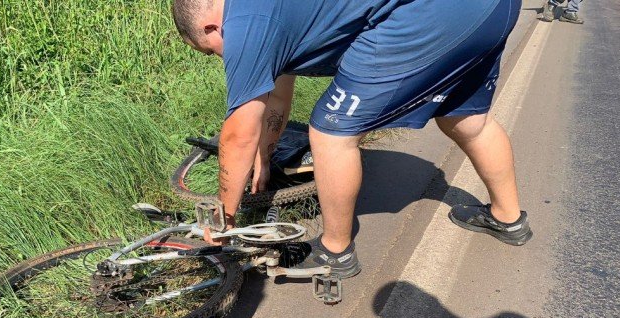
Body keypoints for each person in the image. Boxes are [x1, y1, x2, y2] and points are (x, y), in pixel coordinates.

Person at [172, 0, 533, 279]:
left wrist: (223, 219)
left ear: (211, 26)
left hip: (432, 13)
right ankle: (508, 218)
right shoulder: (263, 12)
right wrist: (264, 157)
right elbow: (276, 98)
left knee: (330, 132)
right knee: (467, 119)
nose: (220, 56)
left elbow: (237, 135)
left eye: (210, 50)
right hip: (492, 10)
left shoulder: (243, 24)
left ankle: (335, 252)